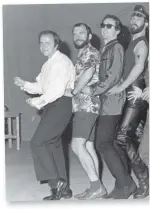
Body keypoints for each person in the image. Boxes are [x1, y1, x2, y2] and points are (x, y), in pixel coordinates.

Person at [14, 30, 75, 200]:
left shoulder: (61, 62)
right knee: (52, 144)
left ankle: (56, 184)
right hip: (53, 105)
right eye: (41, 43)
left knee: (37, 143)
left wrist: (36, 102)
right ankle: (64, 189)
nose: (43, 46)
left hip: (60, 104)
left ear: (57, 44)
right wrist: (25, 84)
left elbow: (56, 91)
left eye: (47, 42)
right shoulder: (49, 63)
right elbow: (41, 86)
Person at [82, 15, 136, 199]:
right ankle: (122, 185)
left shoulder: (117, 47)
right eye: (102, 25)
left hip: (112, 100)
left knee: (102, 143)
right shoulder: (106, 48)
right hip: (105, 100)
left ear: (117, 30)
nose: (104, 29)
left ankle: (127, 183)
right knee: (111, 143)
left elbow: (113, 76)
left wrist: (94, 90)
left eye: (109, 26)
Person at [108, 5, 149, 199]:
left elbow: (140, 67)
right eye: (133, 16)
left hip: (135, 93)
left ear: (146, 23)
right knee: (123, 139)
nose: (134, 19)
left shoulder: (142, 43)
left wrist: (123, 86)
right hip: (131, 93)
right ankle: (128, 180)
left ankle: (143, 179)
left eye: (139, 17)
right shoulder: (130, 43)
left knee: (122, 137)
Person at [65, 23, 107, 200]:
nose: (77, 36)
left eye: (81, 33)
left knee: (76, 145)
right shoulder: (83, 53)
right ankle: (96, 187)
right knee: (88, 146)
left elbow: (89, 73)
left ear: (89, 36)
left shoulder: (90, 51)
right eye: (75, 34)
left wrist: (74, 91)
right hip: (88, 105)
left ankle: (97, 186)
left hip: (86, 105)